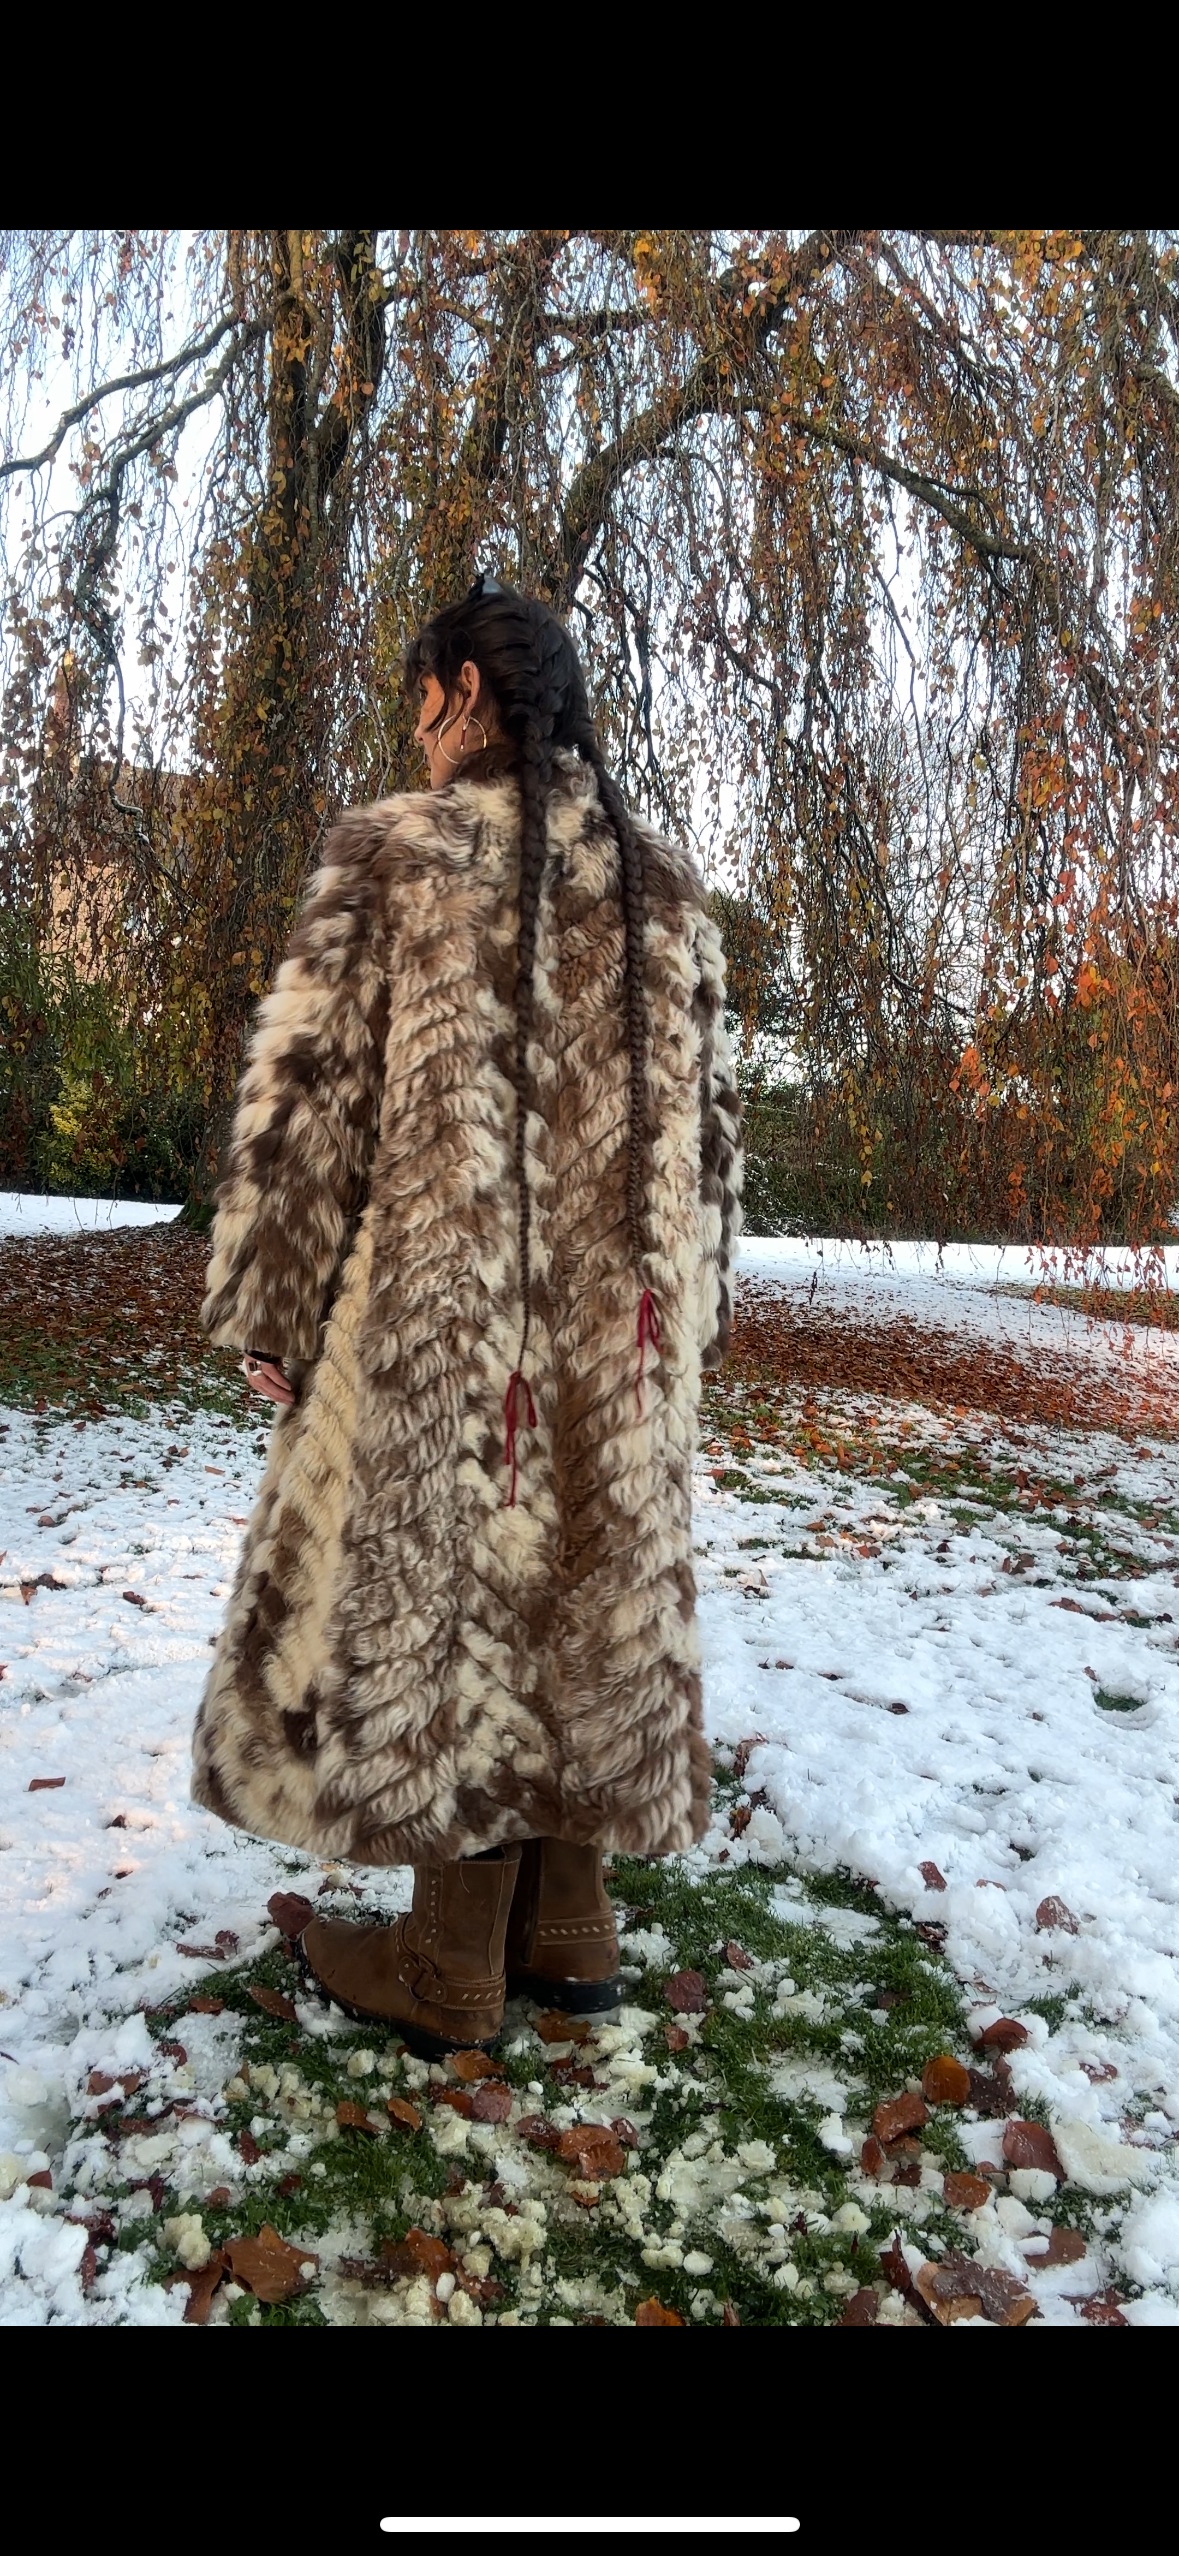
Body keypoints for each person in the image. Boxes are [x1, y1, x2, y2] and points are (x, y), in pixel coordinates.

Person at [192, 577, 742, 2057]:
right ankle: (569, 1927)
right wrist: (685, 1332)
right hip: (624, 1338)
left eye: (422, 697)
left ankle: (451, 1968)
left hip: (441, 1322)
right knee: (580, 1588)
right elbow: (709, 1152)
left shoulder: (398, 853)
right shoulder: (664, 887)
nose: (415, 728)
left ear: (465, 695)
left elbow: (309, 1105)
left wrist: (271, 1303)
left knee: (457, 1600)